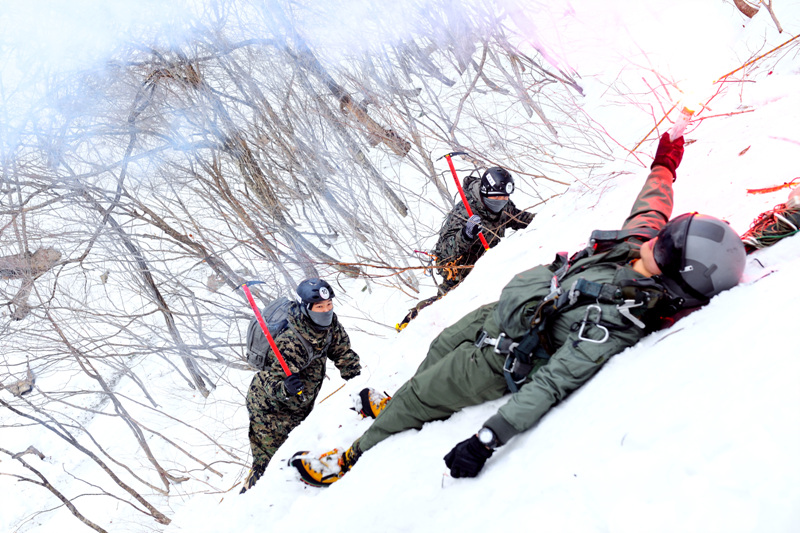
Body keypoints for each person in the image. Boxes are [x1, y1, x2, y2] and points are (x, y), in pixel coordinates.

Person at [291, 133, 747, 485]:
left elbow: (554, 381)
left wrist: (487, 440)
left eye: (665, 246)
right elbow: (652, 205)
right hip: (504, 311)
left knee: (421, 394)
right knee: (440, 344)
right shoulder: (638, 247)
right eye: (665, 234)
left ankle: (348, 458)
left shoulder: (617, 317)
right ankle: (405, 401)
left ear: (673, 274)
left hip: (500, 356)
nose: (655, 238)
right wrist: (665, 163)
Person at [240, 278, 361, 493]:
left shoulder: (329, 324)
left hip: (300, 403)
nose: (326, 311)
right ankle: (249, 502)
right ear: (306, 308)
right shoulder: (291, 341)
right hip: (270, 410)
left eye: (329, 305)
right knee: (271, 465)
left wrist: (355, 377)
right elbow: (270, 379)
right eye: (319, 307)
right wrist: (284, 388)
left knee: (296, 452)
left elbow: (341, 350)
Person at [396, 167, 534, 330]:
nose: (502, 201)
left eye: (505, 197)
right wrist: (466, 234)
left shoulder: (503, 204)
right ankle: (413, 319)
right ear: (485, 193)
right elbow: (445, 252)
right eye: (497, 197)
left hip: (489, 264)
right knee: (445, 308)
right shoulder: (464, 212)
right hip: (461, 270)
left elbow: (517, 218)